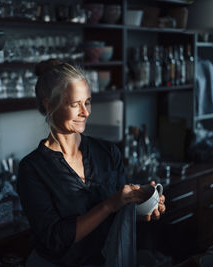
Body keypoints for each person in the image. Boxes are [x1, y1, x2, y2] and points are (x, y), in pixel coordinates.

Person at [17, 59, 166, 266]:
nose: (85, 112)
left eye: (87, 102)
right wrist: (109, 205)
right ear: (49, 105)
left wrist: (141, 205)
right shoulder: (32, 169)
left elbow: (118, 214)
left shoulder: (108, 152)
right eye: (75, 104)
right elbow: (54, 239)